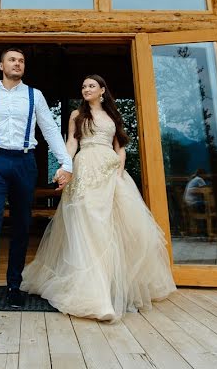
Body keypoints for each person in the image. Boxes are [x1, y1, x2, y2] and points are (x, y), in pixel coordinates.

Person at [22, 74, 176, 321]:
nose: (86, 89)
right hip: (85, 170)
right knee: (87, 226)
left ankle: (111, 287)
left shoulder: (113, 116)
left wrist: (120, 171)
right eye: (83, 86)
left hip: (110, 173)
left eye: (91, 86)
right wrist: (65, 167)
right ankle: (97, 297)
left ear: (102, 90)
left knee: (114, 229)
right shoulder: (76, 115)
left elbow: (120, 147)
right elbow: (71, 143)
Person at [0, 47, 72, 331]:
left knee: (20, 225)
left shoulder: (35, 95)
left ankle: (15, 285)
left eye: (21, 61)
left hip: (24, 162)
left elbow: (51, 130)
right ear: (1, 65)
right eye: (12, 60)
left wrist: (66, 163)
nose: (17, 64)